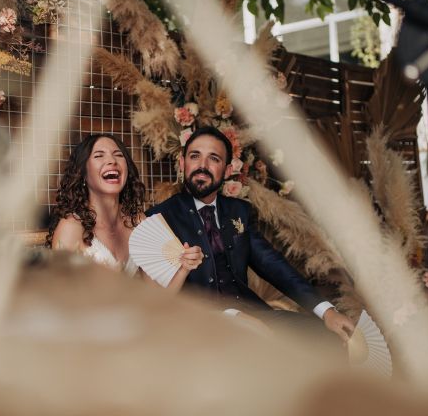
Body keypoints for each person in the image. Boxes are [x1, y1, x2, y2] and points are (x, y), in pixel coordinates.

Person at [145, 126, 355, 342]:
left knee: (327, 337)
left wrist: (326, 311)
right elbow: (158, 299)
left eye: (214, 159)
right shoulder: (158, 219)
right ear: (182, 163)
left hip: (254, 313)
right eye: (195, 156)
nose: (202, 166)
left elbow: (273, 265)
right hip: (199, 326)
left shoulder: (239, 211)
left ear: (227, 171)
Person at [46, 133, 146, 275]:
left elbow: (157, 288)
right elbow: (60, 292)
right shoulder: (71, 228)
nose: (112, 160)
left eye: (118, 155)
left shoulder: (138, 221)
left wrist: (183, 268)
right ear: (83, 173)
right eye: (99, 156)